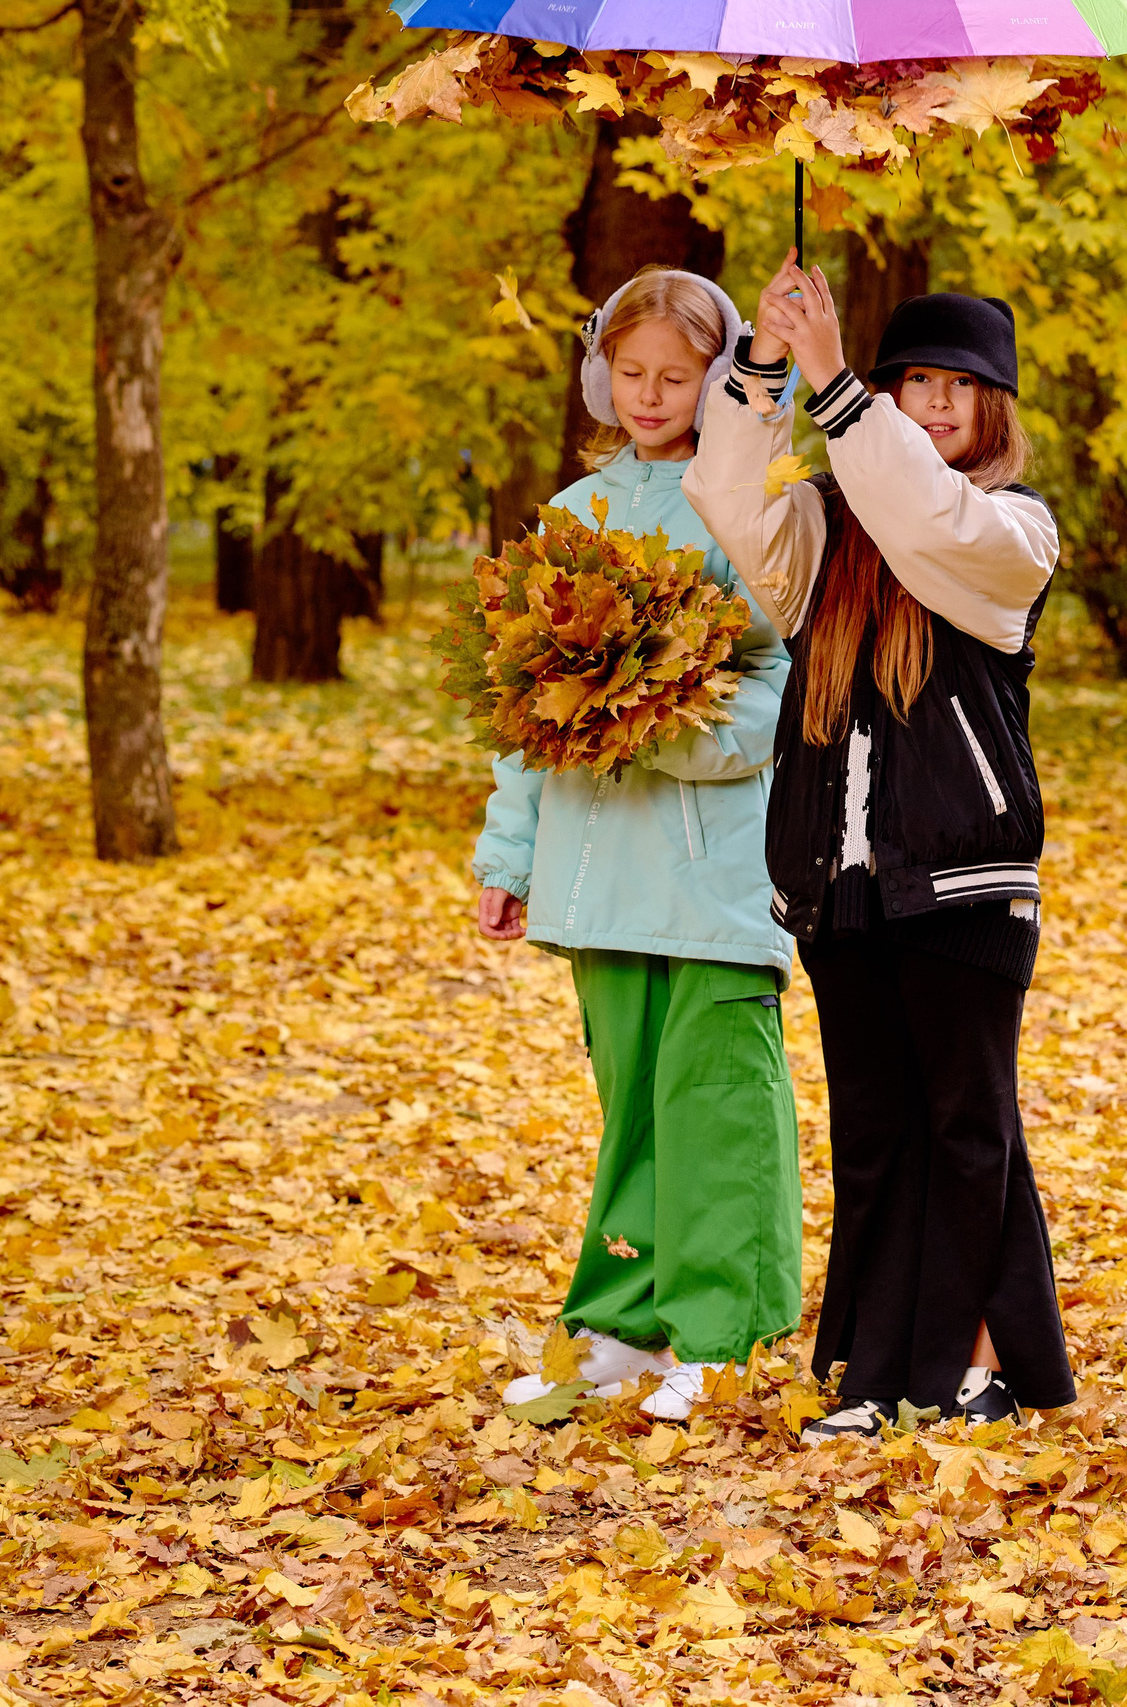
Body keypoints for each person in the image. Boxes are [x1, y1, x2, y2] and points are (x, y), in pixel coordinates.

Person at [683, 252, 1074, 1441]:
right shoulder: (822, 543)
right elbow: (725, 494)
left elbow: (925, 517)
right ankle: (872, 1372)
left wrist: (842, 384)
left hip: (962, 881)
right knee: (877, 1131)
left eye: (960, 384)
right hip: (841, 889)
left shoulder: (1010, 531)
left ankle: (968, 1369)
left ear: (995, 407)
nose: (936, 401)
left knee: (968, 1127)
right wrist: (764, 363)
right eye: (915, 380)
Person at [473, 267, 801, 1423]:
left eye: (676, 375)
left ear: (718, 381)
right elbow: (522, 710)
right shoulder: (570, 514)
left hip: (713, 862)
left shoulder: (752, 502)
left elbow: (778, 681)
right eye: (631, 372)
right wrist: (507, 860)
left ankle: (721, 1328)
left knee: (714, 1096)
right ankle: (625, 1321)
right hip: (596, 862)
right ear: (597, 376)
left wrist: (665, 728)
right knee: (636, 1104)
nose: (650, 393)